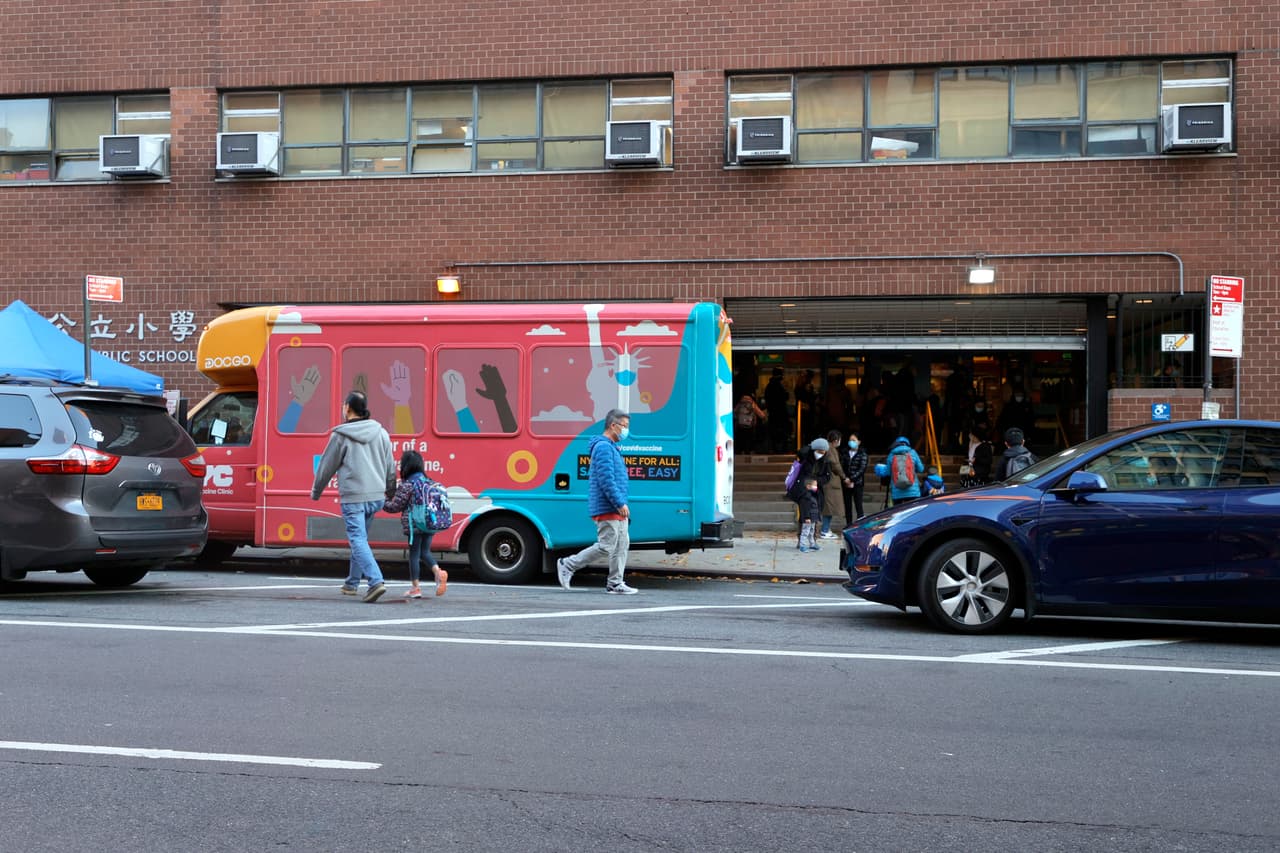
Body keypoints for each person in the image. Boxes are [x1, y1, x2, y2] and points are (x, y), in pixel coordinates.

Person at [311, 390, 397, 603]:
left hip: (354, 497)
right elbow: (390, 466)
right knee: (362, 540)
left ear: (348, 408)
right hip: (376, 496)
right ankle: (352, 583)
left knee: (357, 539)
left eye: (343, 405)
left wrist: (316, 491)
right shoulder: (381, 433)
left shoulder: (341, 435)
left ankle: (376, 582)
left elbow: (326, 466)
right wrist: (390, 490)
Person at [557, 409, 636, 594]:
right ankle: (567, 564)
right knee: (606, 545)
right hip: (608, 506)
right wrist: (619, 503)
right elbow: (606, 480)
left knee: (621, 544)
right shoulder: (603, 447)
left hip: (616, 506)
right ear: (612, 425)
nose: (626, 431)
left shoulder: (611, 447)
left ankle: (615, 583)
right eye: (624, 426)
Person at [382, 449, 448, 599]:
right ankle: (438, 572)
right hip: (431, 523)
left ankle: (415, 588)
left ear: (406, 467)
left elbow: (394, 507)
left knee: (414, 554)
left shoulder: (408, 485)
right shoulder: (430, 482)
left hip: (415, 526)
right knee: (425, 552)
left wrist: (381, 501)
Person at [818, 431, 851, 538]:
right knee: (829, 508)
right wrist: (844, 477)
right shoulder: (831, 450)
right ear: (836, 440)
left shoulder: (826, 448)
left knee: (829, 507)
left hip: (828, 481)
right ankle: (824, 530)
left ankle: (826, 529)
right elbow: (835, 465)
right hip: (830, 482)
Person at [883, 435, 925, 506]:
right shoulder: (913, 453)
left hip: (897, 492)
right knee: (913, 513)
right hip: (913, 491)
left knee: (898, 514)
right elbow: (921, 469)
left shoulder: (891, 454)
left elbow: (888, 472)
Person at [839, 431, 869, 521]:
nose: (851, 442)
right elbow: (841, 466)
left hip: (857, 483)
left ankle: (859, 526)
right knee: (847, 506)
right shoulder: (845, 453)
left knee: (858, 506)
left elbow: (862, 469)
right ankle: (849, 525)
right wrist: (845, 479)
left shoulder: (863, 454)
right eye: (850, 440)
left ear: (859, 442)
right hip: (846, 483)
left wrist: (851, 479)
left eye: (853, 440)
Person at [763, 368, 791, 452]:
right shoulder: (780, 385)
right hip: (781, 413)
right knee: (783, 432)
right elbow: (785, 397)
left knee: (773, 432)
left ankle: (774, 449)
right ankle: (783, 449)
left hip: (772, 413)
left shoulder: (768, 386)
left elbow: (767, 399)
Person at [795, 476, 822, 553]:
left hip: (813, 517)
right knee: (805, 532)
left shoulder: (813, 495)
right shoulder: (805, 496)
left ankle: (812, 544)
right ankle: (802, 545)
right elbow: (804, 508)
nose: (816, 487)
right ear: (808, 486)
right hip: (808, 518)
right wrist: (806, 517)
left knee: (811, 532)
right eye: (815, 485)